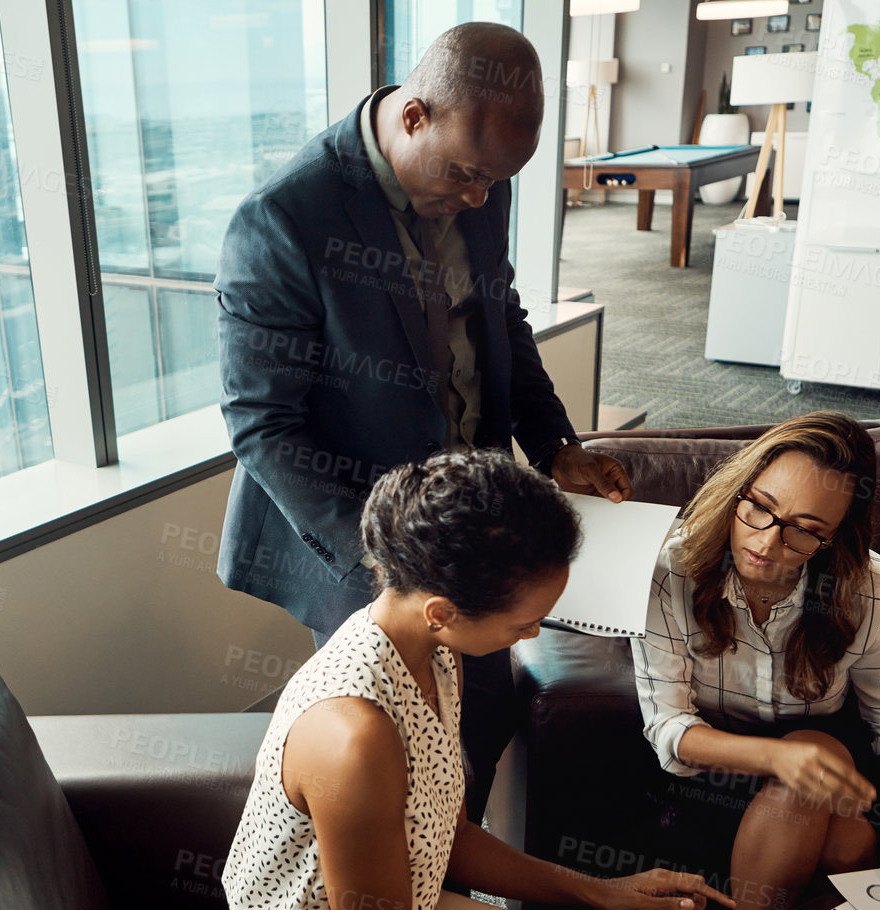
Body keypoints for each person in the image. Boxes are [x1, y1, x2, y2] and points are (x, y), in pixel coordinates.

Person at [223, 450, 732, 910]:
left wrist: (598, 892)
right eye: (524, 624)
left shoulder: (434, 651)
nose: (532, 637)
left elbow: (447, 835)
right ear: (442, 609)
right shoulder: (351, 736)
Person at [214, 22, 632, 825]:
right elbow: (263, 424)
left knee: (477, 725)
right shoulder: (284, 218)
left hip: (474, 526)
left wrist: (553, 445)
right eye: (468, 176)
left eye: (493, 183)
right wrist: (388, 562)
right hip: (363, 544)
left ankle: (452, 904)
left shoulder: (483, 174)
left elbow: (497, 319)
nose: (479, 198)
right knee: (389, 759)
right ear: (414, 117)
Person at [631, 412, 880, 910]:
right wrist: (781, 757)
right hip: (718, 758)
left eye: (805, 532)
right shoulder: (670, 571)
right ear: (738, 490)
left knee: (822, 765)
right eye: (759, 509)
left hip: (827, 753)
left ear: (835, 537)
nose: (766, 544)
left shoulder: (873, 592)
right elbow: (668, 726)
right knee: (848, 841)